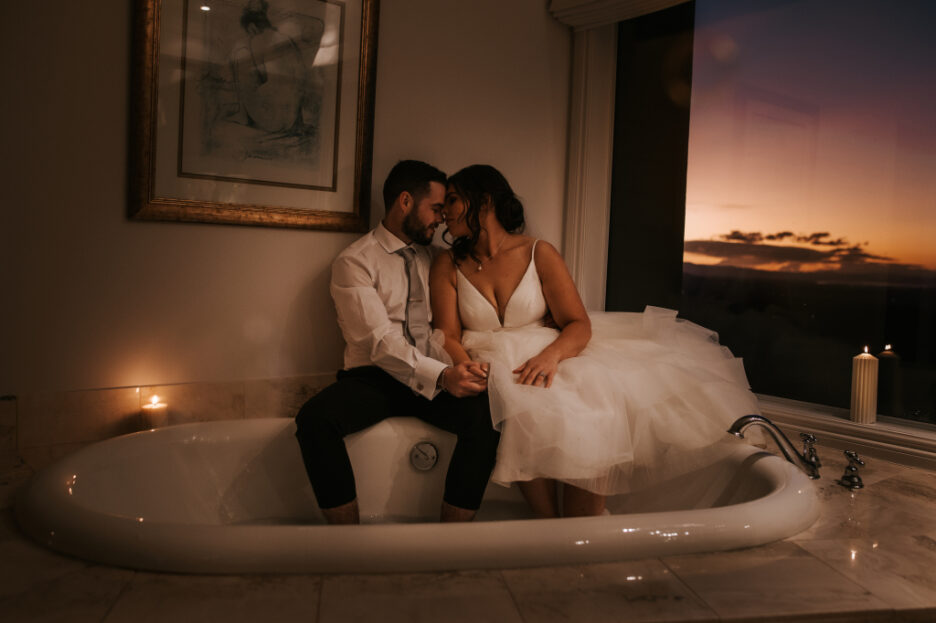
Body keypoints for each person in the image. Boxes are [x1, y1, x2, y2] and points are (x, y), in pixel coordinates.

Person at [429, 164, 761, 518]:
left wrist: (550, 357)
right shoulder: (448, 264)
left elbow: (577, 323)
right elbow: (447, 334)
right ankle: (549, 526)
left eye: (451, 200)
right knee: (520, 404)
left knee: (590, 407)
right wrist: (464, 365)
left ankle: (583, 528)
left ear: (483, 201)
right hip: (490, 363)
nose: (443, 211)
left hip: (543, 355)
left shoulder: (538, 253)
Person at [295, 160, 500, 525]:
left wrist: (457, 368)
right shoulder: (354, 261)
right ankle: (347, 538)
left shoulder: (438, 259)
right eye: (436, 208)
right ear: (405, 201)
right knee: (315, 421)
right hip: (375, 378)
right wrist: (441, 377)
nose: (441, 219)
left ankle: (452, 537)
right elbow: (377, 340)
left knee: (487, 417)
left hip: (435, 375)